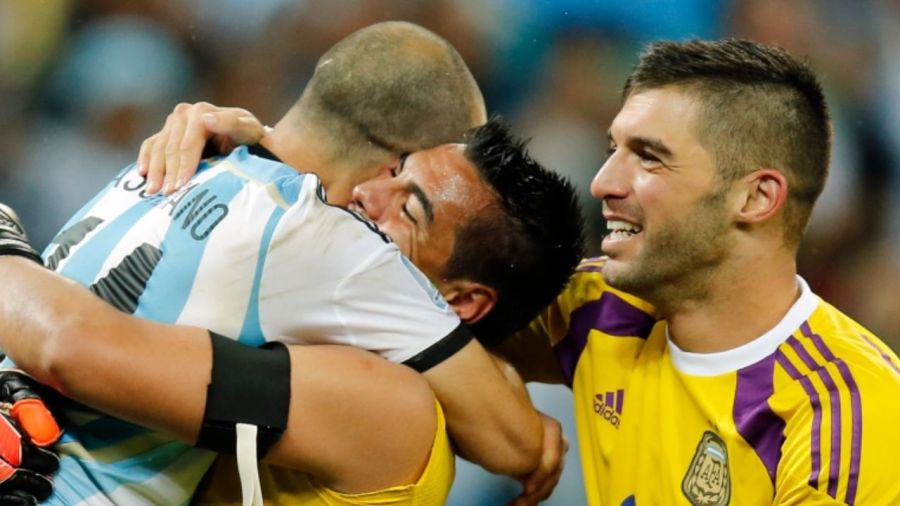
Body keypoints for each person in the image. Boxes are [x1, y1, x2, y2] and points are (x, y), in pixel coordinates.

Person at [111, 37, 900, 505]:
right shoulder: (602, 309)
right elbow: (434, 267)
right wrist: (275, 153)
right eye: (614, 145)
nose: (604, 182)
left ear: (757, 196)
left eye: (649, 158)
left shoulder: (845, 412)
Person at [0, 21, 584, 506]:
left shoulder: (195, 167)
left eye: (408, 205)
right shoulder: (301, 226)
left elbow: (70, 343)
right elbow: (517, 444)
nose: (367, 198)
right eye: (397, 170)